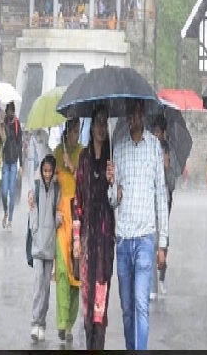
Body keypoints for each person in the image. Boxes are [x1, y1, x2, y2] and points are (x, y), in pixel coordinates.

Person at [107, 99, 169, 350]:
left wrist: (162, 243)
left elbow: (161, 196)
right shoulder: (118, 149)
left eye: (137, 111)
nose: (133, 116)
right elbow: (112, 200)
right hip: (123, 239)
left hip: (145, 237)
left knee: (142, 304)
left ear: (142, 114)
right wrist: (112, 185)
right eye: (129, 111)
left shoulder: (154, 147)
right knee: (126, 308)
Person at [72, 106, 116, 349]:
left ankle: (99, 344)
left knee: (101, 301)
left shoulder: (111, 160)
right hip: (88, 241)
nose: (100, 127)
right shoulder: (84, 159)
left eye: (104, 122)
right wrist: (77, 239)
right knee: (88, 304)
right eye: (97, 122)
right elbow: (77, 200)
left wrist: (112, 182)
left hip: (105, 241)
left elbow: (116, 202)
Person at [53, 118, 83, 345]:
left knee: (75, 276)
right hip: (62, 218)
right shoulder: (55, 154)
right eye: (72, 130)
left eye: (77, 130)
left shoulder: (83, 154)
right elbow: (46, 181)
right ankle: (62, 322)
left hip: (79, 217)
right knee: (62, 271)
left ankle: (71, 322)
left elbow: (85, 184)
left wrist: (72, 167)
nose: (75, 134)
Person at [27, 155, 60, 343]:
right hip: (38, 245)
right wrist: (35, 230)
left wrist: (59, 219)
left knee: (47, 288)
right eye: (44, 170)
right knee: (38, 284)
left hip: (50, 246)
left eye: (50, 171)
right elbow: (33, 214)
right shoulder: (36, 188)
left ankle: (42, 323)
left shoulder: (57, 190)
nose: (47, 174)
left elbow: (57, 215)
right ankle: (34, 322)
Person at [150, 114, 178, 296]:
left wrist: (166, 168)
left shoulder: (169, 151)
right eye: (154, 132)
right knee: (151, 238)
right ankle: (152, 280)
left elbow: (172, 183)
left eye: (159, 132)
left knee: (163, 239)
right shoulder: (148, 149)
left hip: (165, 199)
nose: (156, 135)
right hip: (149, 199)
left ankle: (161, 275)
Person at [1, 102, 24, 230]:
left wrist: (22, 164)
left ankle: (10, 220)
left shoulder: (17, 124)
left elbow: (20, 143)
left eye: (12, 111)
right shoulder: (3, 124)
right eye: (9, 111)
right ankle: (5, 211)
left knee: (12, 192)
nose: (11, 113)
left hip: (14, 161)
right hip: (5, 161)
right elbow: (1, 141)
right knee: (4, 192)